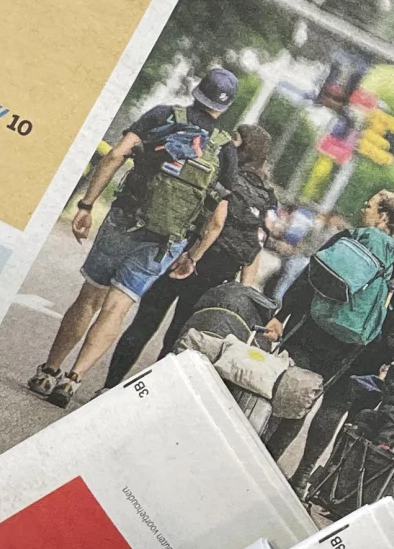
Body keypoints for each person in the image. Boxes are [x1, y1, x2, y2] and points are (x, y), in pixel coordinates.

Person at [28, 69, 239, 407]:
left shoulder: (162, 115)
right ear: (226, 106)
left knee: (90, 297)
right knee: (118, 305)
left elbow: (115, 155)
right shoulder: (225, 149)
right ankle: (73, 379)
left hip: (124, 219)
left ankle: (48, 371)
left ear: (197, 90)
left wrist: (86, 205)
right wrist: (193, 257)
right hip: (165, 241)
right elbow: (218, 220)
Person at [103, 123, 280, 387]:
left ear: (244, 147)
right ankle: (148, 393)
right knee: (179, 336)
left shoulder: (224, 175)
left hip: (185, 257)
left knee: (144, 322)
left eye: (235, 139)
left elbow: (215, 223)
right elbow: (255, 245)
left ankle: (110, 386)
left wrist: (193, 257)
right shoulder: (266, 196)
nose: (229, 143)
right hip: (218, 273)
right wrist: (243, 289)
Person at [260, 188, 394, 461]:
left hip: (313, 330)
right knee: (332, 406)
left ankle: (262, 453)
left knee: (295, 395)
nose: (363, 208)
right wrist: (384, 358)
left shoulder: (347, 239)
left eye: (369, 206)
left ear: (383, 218)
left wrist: (282, 316)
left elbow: (309, 279)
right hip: (352, 350)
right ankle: (303, 473)